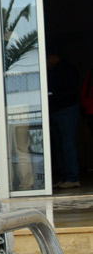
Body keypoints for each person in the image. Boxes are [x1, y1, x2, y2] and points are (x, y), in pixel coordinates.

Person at [47, 46, 81, 189]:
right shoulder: (56, 70)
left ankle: (72, 177)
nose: (46, 63)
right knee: (60, 146)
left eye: (47, 59)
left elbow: (71, 92)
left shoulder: (66, 70)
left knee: (67, 145)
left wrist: (53, 98)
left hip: (66, 111)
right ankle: (65, 177)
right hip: (58, 111)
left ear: (53, 57)